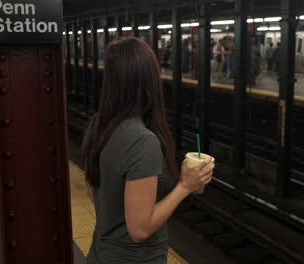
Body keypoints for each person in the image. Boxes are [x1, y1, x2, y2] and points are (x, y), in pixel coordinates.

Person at [82, 38, 215, 264]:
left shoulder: (98, 125)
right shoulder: (143, 141)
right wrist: (185, 186)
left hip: (99, 253)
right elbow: (140, 230)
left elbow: (93, 193)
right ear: (149, 80)